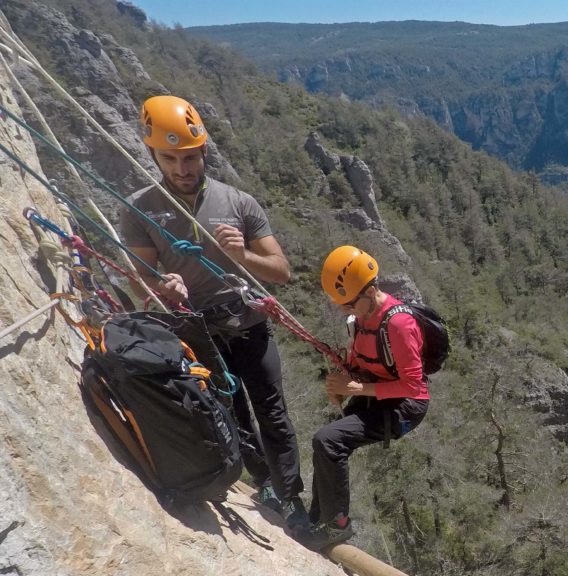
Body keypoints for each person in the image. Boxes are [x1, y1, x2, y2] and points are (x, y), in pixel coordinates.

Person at [119, 94, 307, 528]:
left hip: (247, 321)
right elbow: (138, 277)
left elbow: (280, 271)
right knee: (229, 410)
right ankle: (264, 483)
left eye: (190, 157)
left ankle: (291, 496)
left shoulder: (239, 202)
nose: (182, 169)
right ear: (154, 155)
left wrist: (244, 257)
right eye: (170, 159)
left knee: (272, 411)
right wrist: (163, 287)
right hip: (197, 327)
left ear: (203, 151)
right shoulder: (140, 209)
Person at [296, 245, 430, 551]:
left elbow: (412, 385)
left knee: (329, 441)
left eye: (349, 303)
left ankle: (337, 525)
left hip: (405, 406)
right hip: (376, 392)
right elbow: (360, 359)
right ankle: (320, 517)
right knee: (326, 442)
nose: (344, 309)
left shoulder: (399, 324)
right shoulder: (360, 319)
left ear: (369, 292)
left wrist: (358, 390)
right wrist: (342, 380)